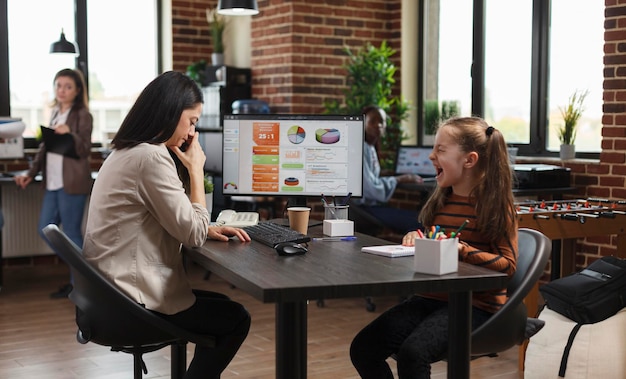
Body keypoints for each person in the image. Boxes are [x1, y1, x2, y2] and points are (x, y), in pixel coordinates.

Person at [82, 71, 251, 379]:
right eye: (192, 121)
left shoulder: (126, 151)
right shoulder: (151, 157)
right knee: (236, 318)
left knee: (221, 306)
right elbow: (193, 235)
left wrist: (205, 225)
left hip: (105, 299)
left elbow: (168, 219)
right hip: (131, 301)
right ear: (170, 113)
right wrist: (196, 170)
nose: (192, 133)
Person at [350, 117, 518, 379]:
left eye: (440, 150)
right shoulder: (441, 200)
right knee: (363, 349)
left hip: (475, 306)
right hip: (429, 298)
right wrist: (416, 236)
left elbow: (508, 266)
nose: (431, 156)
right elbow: (433, 236)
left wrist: (461, 250)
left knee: (413, 354)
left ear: (469, 160)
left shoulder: (496, 206)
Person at [14, 68, 93, 299]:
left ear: (77, 91)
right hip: (52, 183)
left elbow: (85, 148)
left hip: (73, 183)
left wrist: (70, 134)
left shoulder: (83, 115)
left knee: (71, 233)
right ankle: (83, 273)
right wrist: (31, 172)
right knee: (45, 229)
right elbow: (45, 147)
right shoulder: (56, 113)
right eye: (58, 85)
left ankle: (80, 285)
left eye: (68, 86)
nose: (62, 90)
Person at [351, 105, 423, 234]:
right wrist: (400, 179)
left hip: (367, 207)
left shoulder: (370, 147)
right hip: (362, 209)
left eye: (381, 122)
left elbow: (368, 176)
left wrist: (387, 174)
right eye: (372, 121)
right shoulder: (360, 148)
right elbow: (370, 188)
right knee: (419, 221)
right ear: (363, 123)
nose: (378, 125)